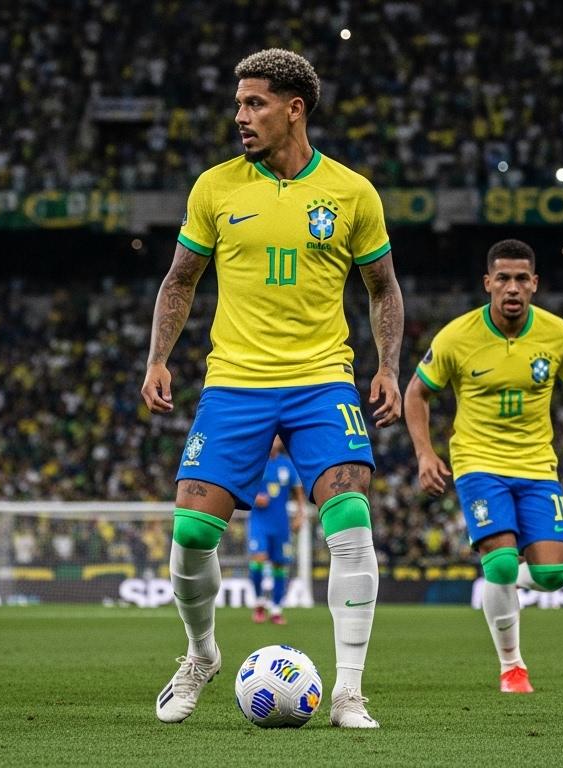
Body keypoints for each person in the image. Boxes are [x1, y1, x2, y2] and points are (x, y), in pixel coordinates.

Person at [140, 49, 403, 728]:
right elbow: (179, 281)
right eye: (237, 105)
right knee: (192, 534)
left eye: (254, 103)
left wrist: (386, 368)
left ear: (295, 109)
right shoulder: (215, 188)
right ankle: (201, 655)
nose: (240, 117)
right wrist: (158, 358)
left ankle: (348, 690)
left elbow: (384, 289)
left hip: (322, 381)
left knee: (349, 517)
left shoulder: (351, 193)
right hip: (236, 382)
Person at [404, 239, 563, 693]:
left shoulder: (559, 335)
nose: (512, 288)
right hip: (478, 463)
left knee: (554, 576)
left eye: (521, 278)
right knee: (499, 565)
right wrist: (425, 452)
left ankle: (507, 583)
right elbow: (416, 393)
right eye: (503, 278)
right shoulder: (457, 337)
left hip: (538, 466)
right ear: (488, 284)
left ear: (535, 284)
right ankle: (512, 666)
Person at [248, 438, 303, 625]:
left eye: (277, 438)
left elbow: (298, 493)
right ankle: (258, 602)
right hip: (259, 522)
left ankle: (277, 609)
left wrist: (299, 515)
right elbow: (242, 487)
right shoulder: (254, 461)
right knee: (259, 558)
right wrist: (254, 498)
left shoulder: (287, 464)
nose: (273, 441)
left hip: (281, 523)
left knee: (280, 565)